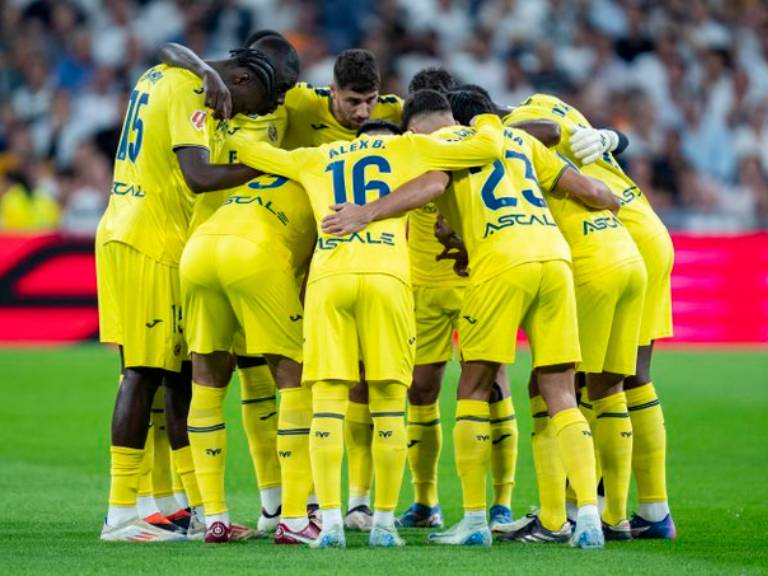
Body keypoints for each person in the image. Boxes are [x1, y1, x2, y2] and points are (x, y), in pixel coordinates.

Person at [321, 89, 614, 549]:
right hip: (555, 258)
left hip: (500, 263)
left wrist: (366, 213)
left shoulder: (443, 145)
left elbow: (434, 186)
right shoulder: (519, 141)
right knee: (560, 390)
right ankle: (590, 520)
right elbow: (599, 193)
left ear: (421, 129)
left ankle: (475, 522)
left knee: (473, 389)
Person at [228, 90, 505, 548]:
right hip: (386, 278)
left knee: (329, 403)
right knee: (389, 402)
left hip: (329, 279)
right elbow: (487, 149)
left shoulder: (317, 156)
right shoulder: (409, 147)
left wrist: (221, 123)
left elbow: (252, 151)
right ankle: (381, 524)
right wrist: (489, 120)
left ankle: (332, 523)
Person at [96, 41, 295, 542]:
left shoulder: (166, 72)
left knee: (174, 373)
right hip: (150, 239)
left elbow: (166, 46)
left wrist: (203, 66)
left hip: (125, 227)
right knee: (142, 372)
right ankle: (121, 514)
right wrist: (272, 165)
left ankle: (182, 507)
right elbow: (199, 175)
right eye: (259, 103)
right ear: (243, 81)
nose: (248, 114)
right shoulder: (191, 90)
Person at [510, 93, 676, 540]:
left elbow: (548, 140)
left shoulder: (508, 132)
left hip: (611, 233)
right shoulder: (548, 102)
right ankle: (648, 510)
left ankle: (570, 510)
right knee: (629, 376)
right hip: (649, 230)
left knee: (570, 380)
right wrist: (611, 136)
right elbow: (612, 143)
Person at [160, 29, 304, 535]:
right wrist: (204, 70)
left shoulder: (269, 109)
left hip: (202, 254)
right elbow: (170, 50)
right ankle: (289, 514)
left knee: (219, 380)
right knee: (285, 377)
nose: (276, 104)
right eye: (271, 95)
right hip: (250, 256)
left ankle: (227, 516)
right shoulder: (215, 103)